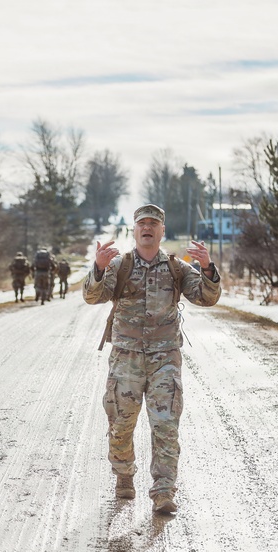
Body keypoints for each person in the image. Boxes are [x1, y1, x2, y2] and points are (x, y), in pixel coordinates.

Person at [83, 203, 220, 514]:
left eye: (153, 224)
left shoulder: (176, 268)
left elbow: (206, 298)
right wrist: (99, 268)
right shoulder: (119, 266)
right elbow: (92, 297)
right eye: (142, 223)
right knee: (121, 423)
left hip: (164, 360)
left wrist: (208, 268)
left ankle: (163, 491)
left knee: (166, 426)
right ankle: (124, 474)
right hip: (126, 359)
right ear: (134, 230)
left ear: (162, 231)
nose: (147, 227)